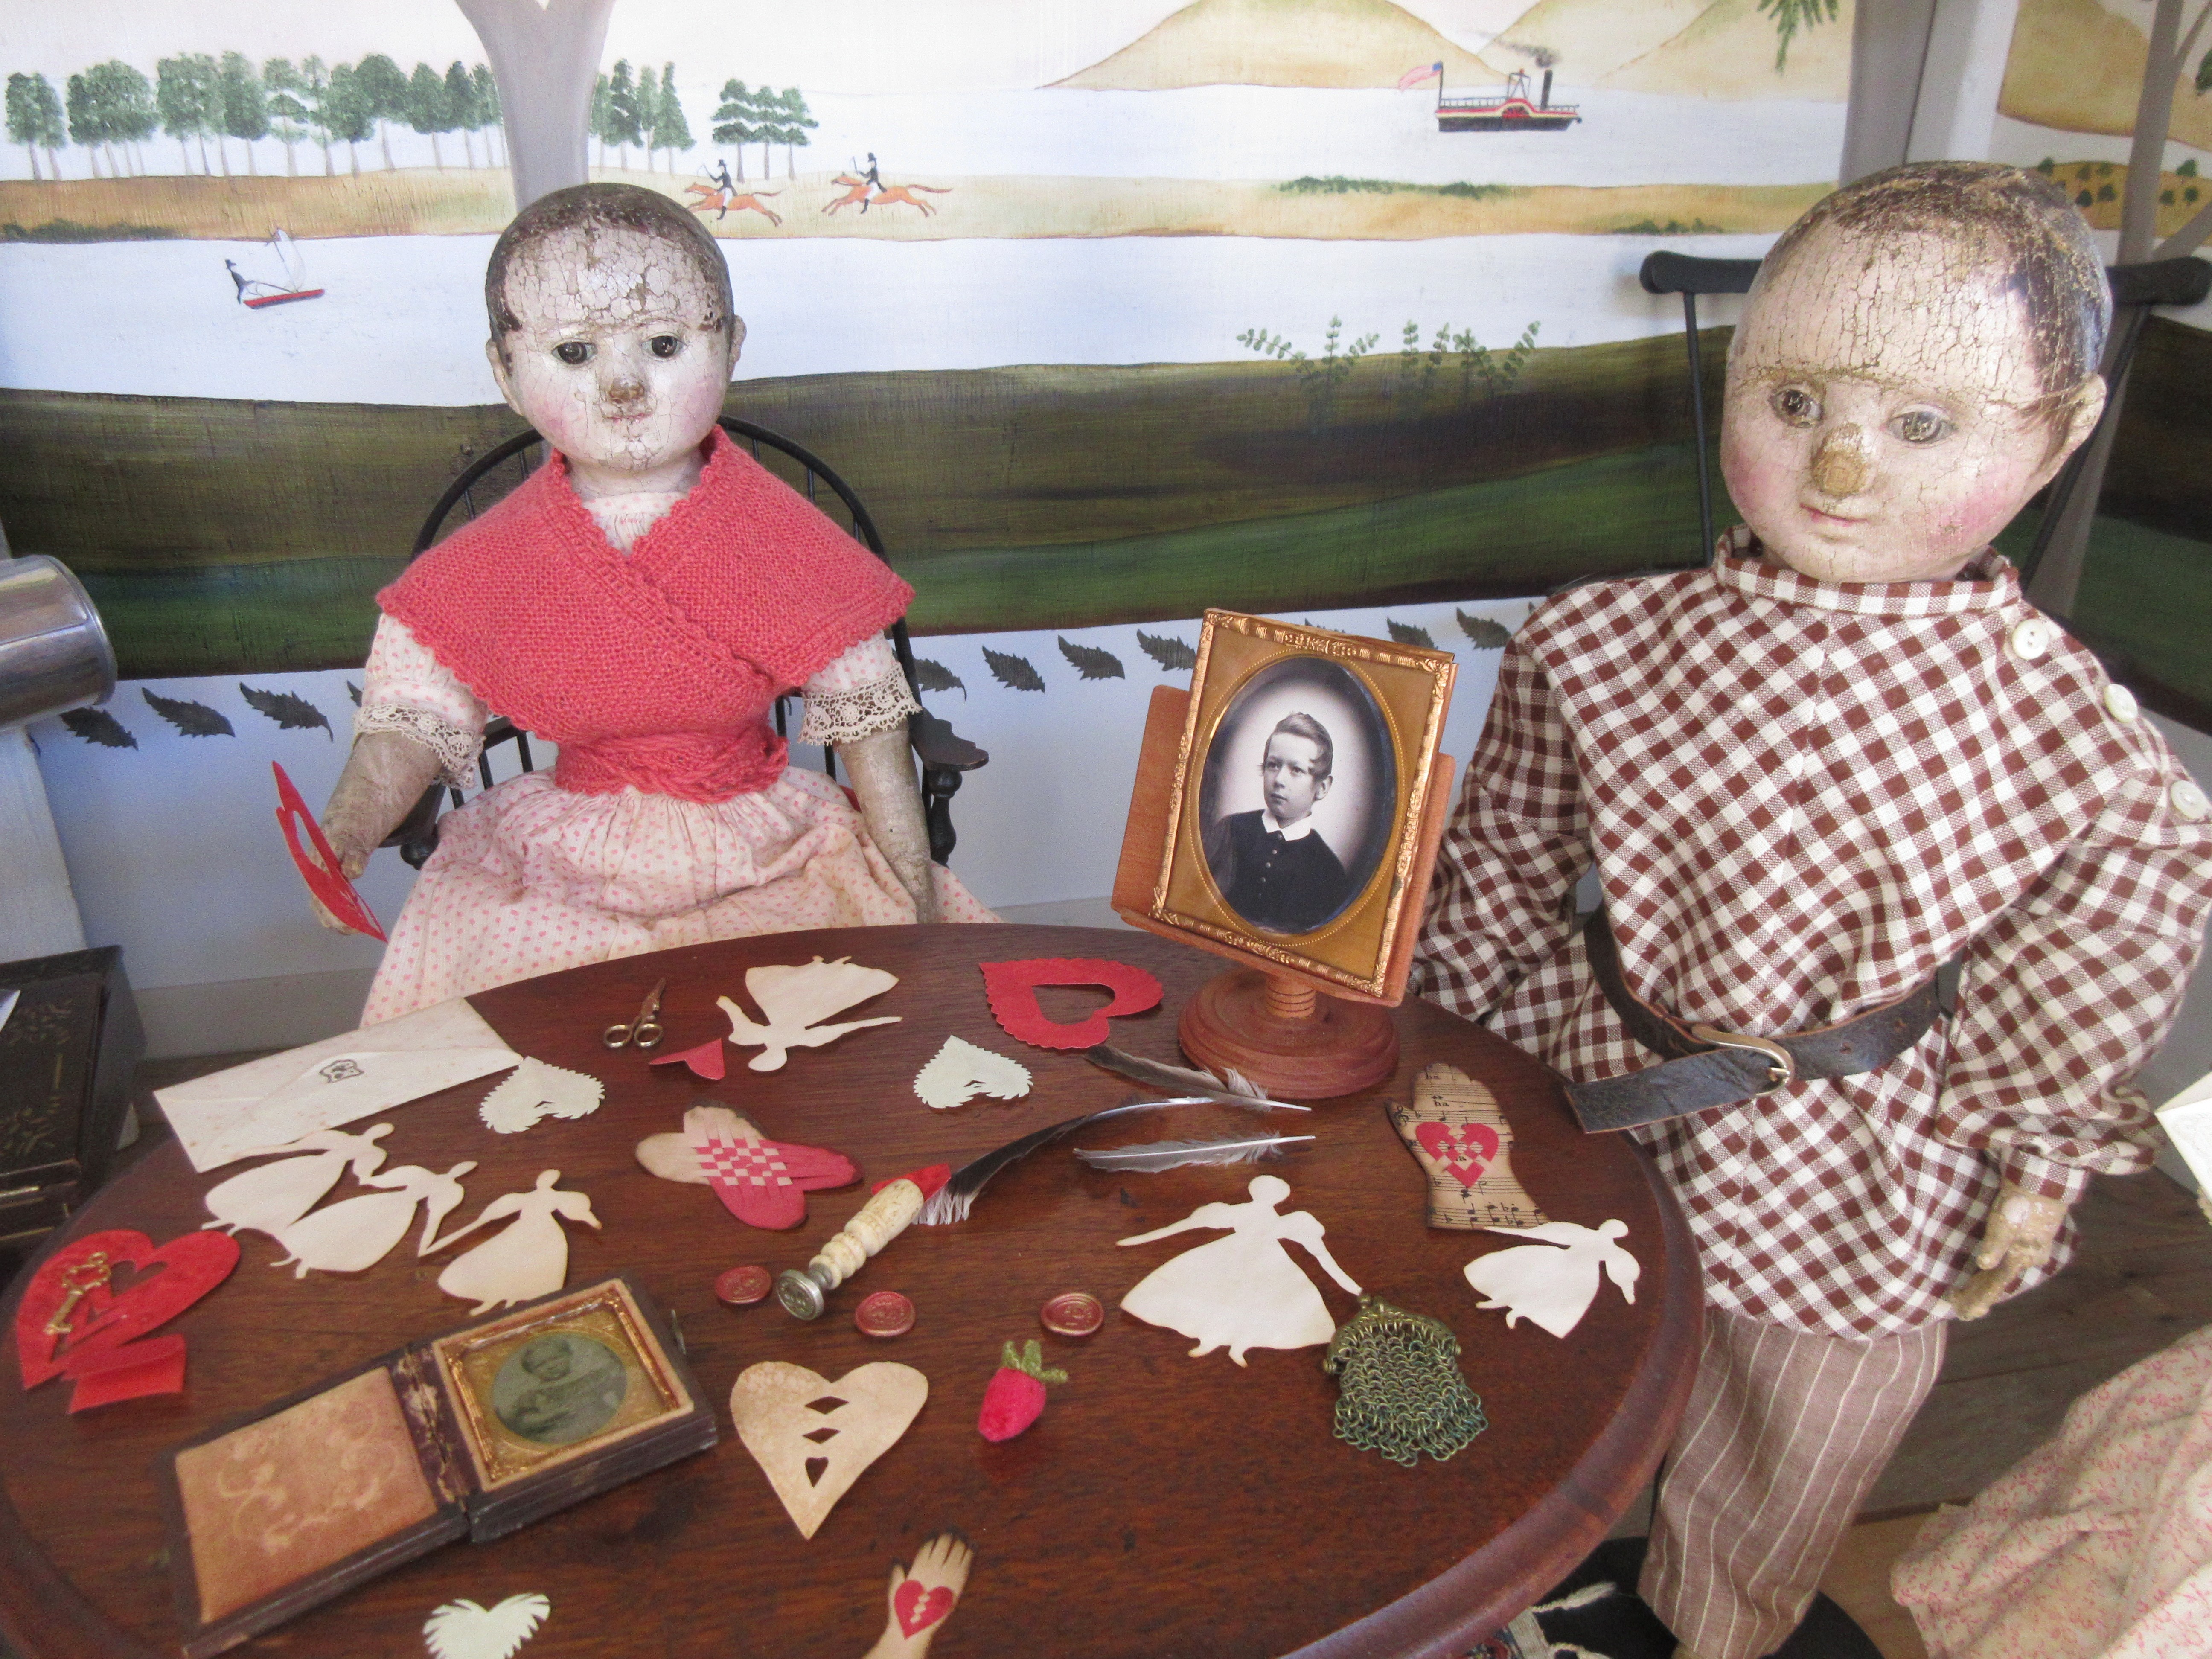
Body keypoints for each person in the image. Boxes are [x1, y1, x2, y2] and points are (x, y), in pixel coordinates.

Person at [1415, 161, 2212, 1659]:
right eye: (1794, 403)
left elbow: (2116, 918)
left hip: (1857, 1142)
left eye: (1925, 424)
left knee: (1789, 1436)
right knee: (1542, 1359)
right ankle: (1519, 1596)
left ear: (2059, 434)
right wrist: (1445, 1048)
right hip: (1592, 1077)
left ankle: (1712, 1634)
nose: (1841, 467)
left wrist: (2031, 1145)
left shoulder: (2060, 724)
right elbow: (1503, 865)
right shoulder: (1597, 641)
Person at [311, 184, 992, 1021]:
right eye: (573, 354)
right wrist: (349, 825)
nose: (624, 384)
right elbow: (413, 721)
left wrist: (911, 884)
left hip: (762, 837)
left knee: (824, 996)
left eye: (664, 344)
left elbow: (870, 719)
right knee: (521, 1001)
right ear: (506, 373)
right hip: (567, 852)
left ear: (730, 347)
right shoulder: (489, 561)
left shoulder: (776, 534)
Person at [1204, 711, 1353, 934]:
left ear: (1322, 788)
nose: (1279, 780)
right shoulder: (1230, 830)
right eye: (1273, 765)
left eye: (1297, 770)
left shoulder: (1329, 872)